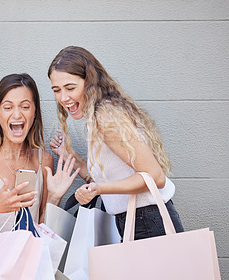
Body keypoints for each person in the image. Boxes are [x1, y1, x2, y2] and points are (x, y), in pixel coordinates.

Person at [47, 46, 184, 240]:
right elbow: (107, 179)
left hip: (147, 222)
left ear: (89, 83)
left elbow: (155, 177)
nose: (63, 97)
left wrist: (100, 189)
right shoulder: (96, 117)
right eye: (56, 90)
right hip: (136, 221)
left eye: (70, 88)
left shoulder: (105, 117)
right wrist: (69, 156)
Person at [0, 73, 79, 232]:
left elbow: (41, 227)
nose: (16, 114)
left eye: (25, 107)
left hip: (27, 255)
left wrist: (54, 198)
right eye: (7, 107)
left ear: (34, 112)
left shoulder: (44, 160)